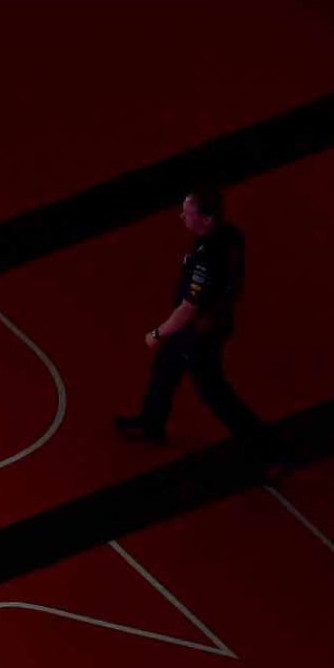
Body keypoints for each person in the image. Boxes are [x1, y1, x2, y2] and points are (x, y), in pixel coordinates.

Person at [114, 188, 284, 471]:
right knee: (165, 368)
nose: (182, 216)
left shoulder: (205, 259)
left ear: (206, 220)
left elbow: (187, 310)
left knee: (213, 391)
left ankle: (268, 451)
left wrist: (157, 333)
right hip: (210, 323)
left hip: (198, 333)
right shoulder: (231, 238)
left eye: (188, 212)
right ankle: (151, 422)